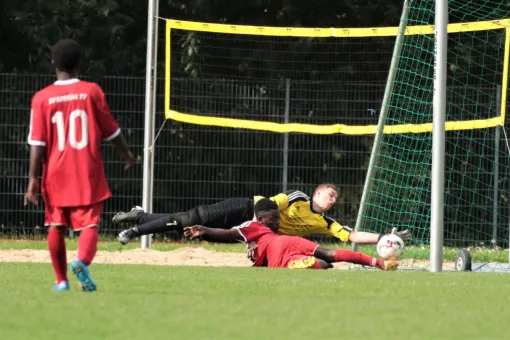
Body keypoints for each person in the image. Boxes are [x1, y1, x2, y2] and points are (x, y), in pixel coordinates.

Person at [25, 39, 134, 292]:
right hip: (86, 171)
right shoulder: (91, 91)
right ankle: (82, 262)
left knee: (56, 225)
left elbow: (37, 143)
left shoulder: (41, 98)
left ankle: (61, 281)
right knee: (89, 225)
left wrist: (33, 178)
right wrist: (125, 152)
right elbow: (111, 130)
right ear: (79, 64)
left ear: (53, 62)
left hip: (54, 173)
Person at [114, 184, 411, 247]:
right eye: (329, 195)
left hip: (254, 233)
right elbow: (268, 202)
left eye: (335, 198)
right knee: (190, 218)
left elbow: (351, 234)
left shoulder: (325, 222)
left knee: (187, 228)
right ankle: (134, 231)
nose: (333, 201)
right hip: (244, 210)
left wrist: (383, 237)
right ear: (318, 193)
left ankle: (140, 216)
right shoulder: (299, 197)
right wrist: (258, 221)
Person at [183, 198, 399, 271]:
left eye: (278, 219)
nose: (277, 222)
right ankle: (378, 263)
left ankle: (304, 264)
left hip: (277, 252)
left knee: (320, 264)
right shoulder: (255, 226)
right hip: (289, 243)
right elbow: (229, 233)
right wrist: (206, 229)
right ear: (261, 218)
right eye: (274, 220)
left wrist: (205, 230)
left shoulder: (255, 227)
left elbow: (229, 233)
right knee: (329, 255)